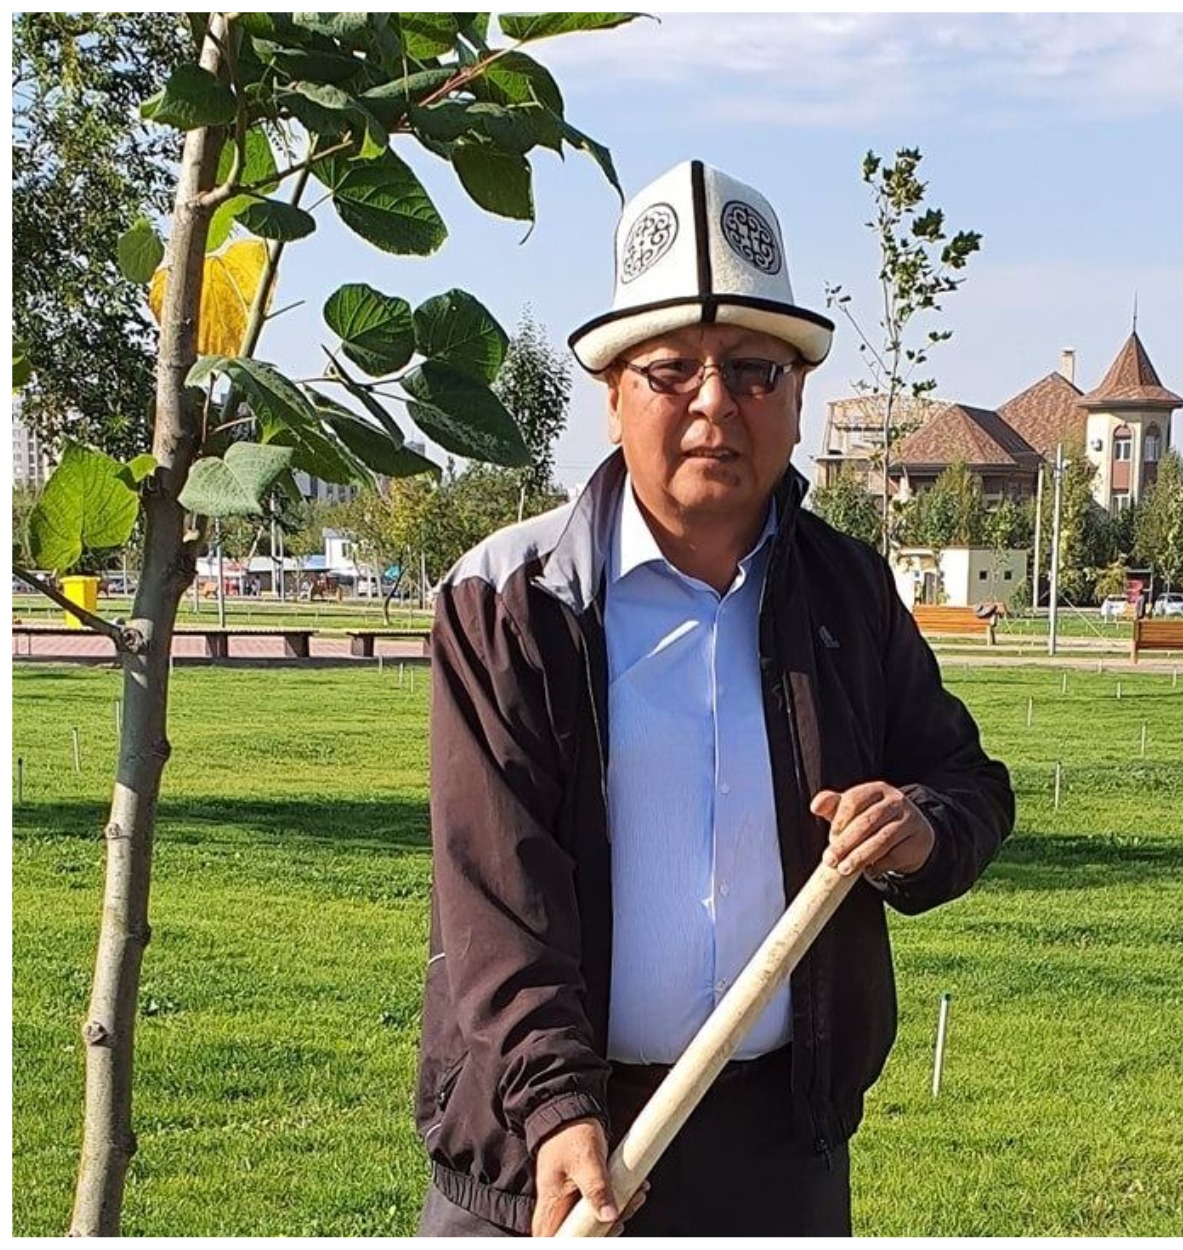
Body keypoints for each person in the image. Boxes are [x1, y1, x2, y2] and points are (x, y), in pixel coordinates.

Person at [414, 161, 1015, 1238]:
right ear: (611, 394)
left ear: (798, 395)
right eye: (669, 370)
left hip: (774, 1157)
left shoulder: (848, 592)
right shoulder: (508, 599)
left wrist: (919, 827)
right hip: (542, 1156)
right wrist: (556, 1104)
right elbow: (496, 893)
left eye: (751, 369)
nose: (713, 404)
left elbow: (967, 782)